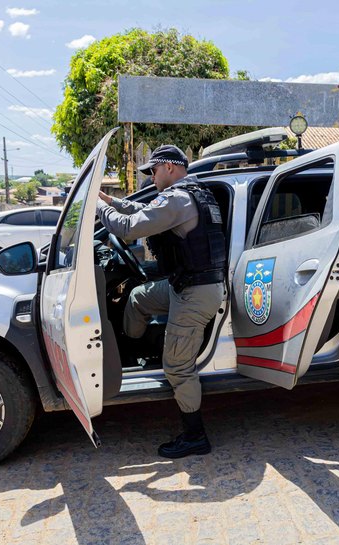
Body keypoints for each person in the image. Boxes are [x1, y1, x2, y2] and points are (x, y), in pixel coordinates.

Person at [96, 144, 227, 459]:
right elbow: (140, 213)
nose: (151, 177)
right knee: (138, 298)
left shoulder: (178, 199)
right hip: (186, 285)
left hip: (196, 294)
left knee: (178, 367)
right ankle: (137, 351)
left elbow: (128, 228)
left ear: (170, 167)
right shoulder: (188, 195)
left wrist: (97, 210)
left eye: (153, 171)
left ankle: (195, 436)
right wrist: (110, 201)